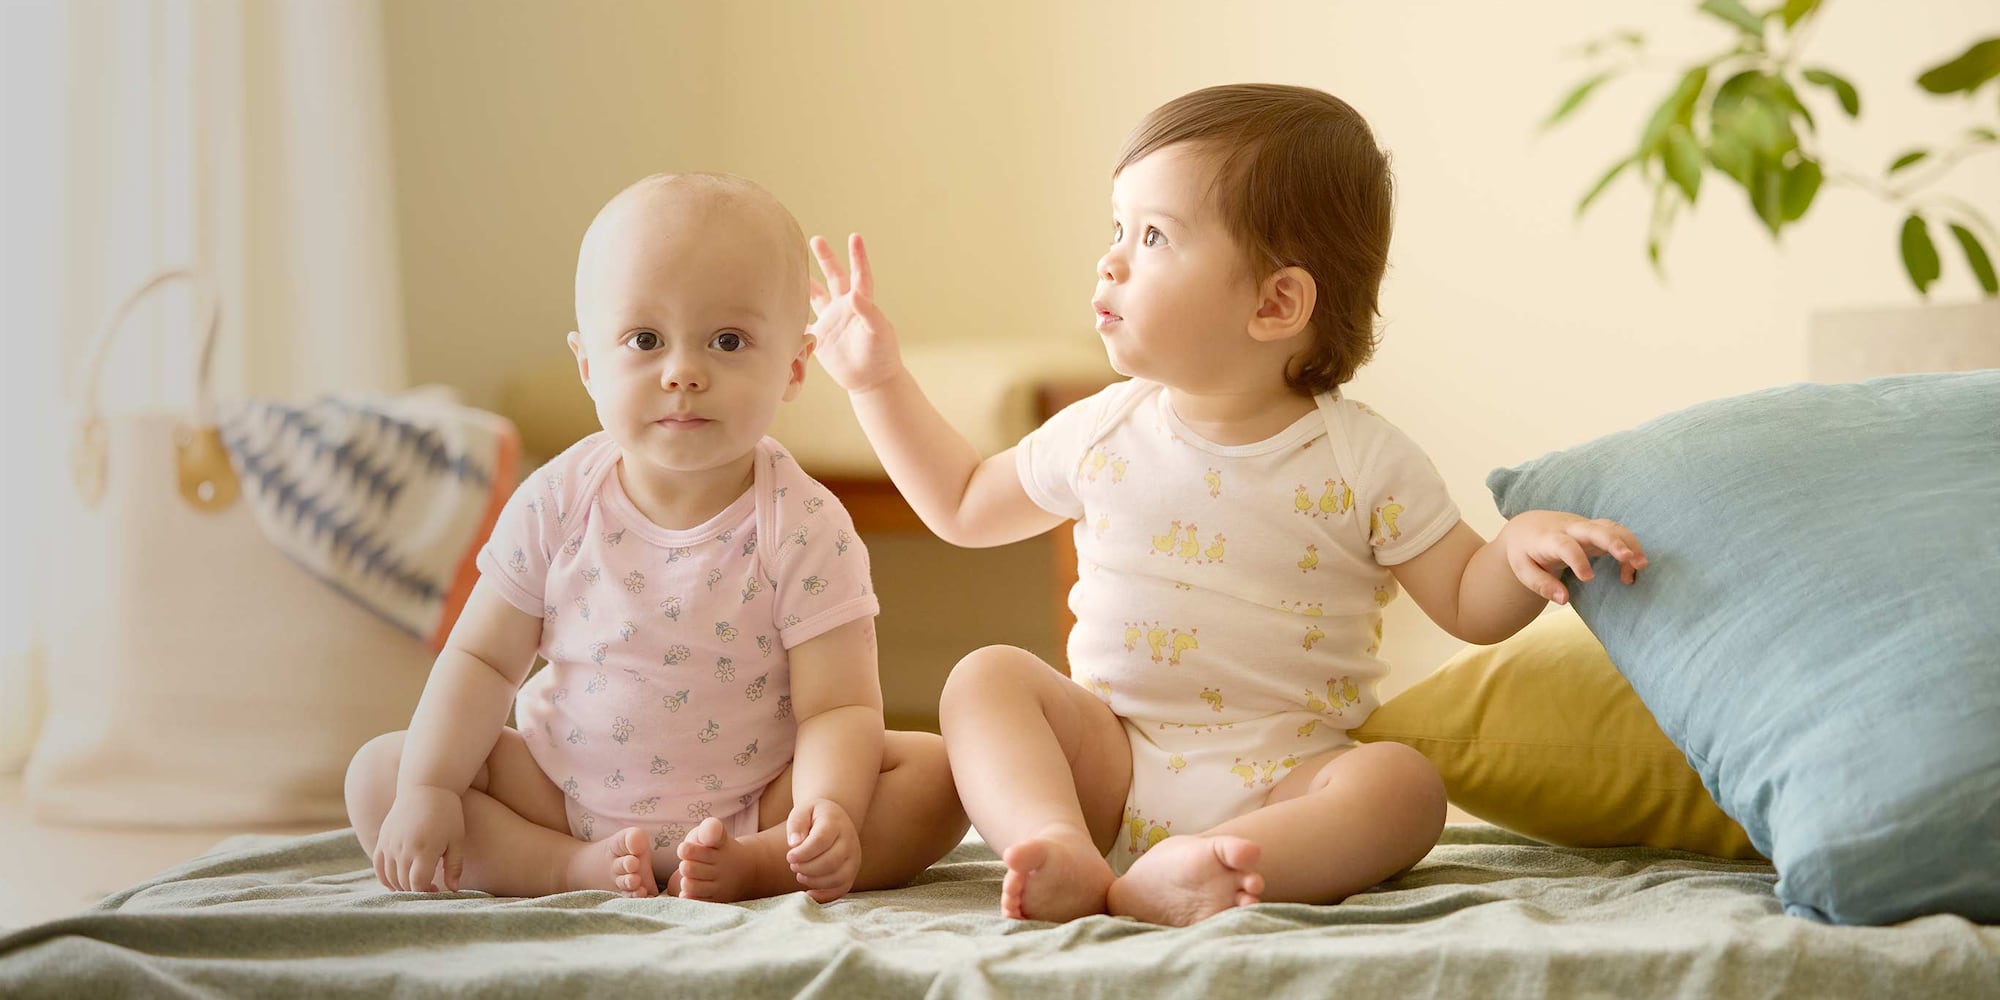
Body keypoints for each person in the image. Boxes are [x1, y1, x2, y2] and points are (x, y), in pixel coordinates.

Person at [804, 84, 1647, 925]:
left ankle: (1215, 869)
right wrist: (877, 382)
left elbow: (1466, 599)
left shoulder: (1365, 459)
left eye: (1154, 236)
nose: (1110, 262)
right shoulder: (1103, 429)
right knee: (985, 679)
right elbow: (960, 503)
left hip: (1285, 781)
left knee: (1404, 788)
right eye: (1117, 228)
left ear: (1275, 304)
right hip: (1111, 762)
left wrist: (1517, 550)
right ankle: (1053, 842)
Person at [345, 172, 967, 903]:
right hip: (558, 796)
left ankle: (762, 867)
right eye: (645, 340)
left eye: (728, 341)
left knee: (938, 776)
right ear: (588, 365)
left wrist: (825, 809)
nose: (684, 373)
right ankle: (563, 868)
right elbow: (481, 661)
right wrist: (430, 789)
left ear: (795, 366)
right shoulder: (556, 501)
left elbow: (838, 707)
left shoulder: (805, 524)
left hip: (761, 801)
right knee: (383, 777)